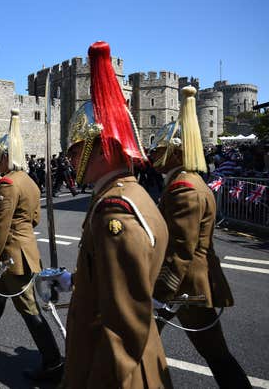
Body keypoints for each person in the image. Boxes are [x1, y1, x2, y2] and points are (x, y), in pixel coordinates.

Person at [60, 41, 172, 388]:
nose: (72, 159)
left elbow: (121, 326)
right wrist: (74, 281)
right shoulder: (130, 194)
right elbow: (114, 280)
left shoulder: (115, 211)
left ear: (99, 146)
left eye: (76, 149)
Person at [150, 86, 251, 388]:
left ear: (177, 152)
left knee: (136, 346)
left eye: (160, 149)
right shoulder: (187, 182)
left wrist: (158, 294)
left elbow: (180, 249)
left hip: (182, 288)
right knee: (217, 355)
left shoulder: (184, 188)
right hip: (189, 286)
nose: (155, 154)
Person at [0, 109, 64, 382]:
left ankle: (53, 360)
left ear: (6, 156)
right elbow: (34, 218)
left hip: (12, 257)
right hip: (27, 250)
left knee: (29, 310)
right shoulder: (30, 182)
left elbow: (0, 229)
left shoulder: (8, 184)